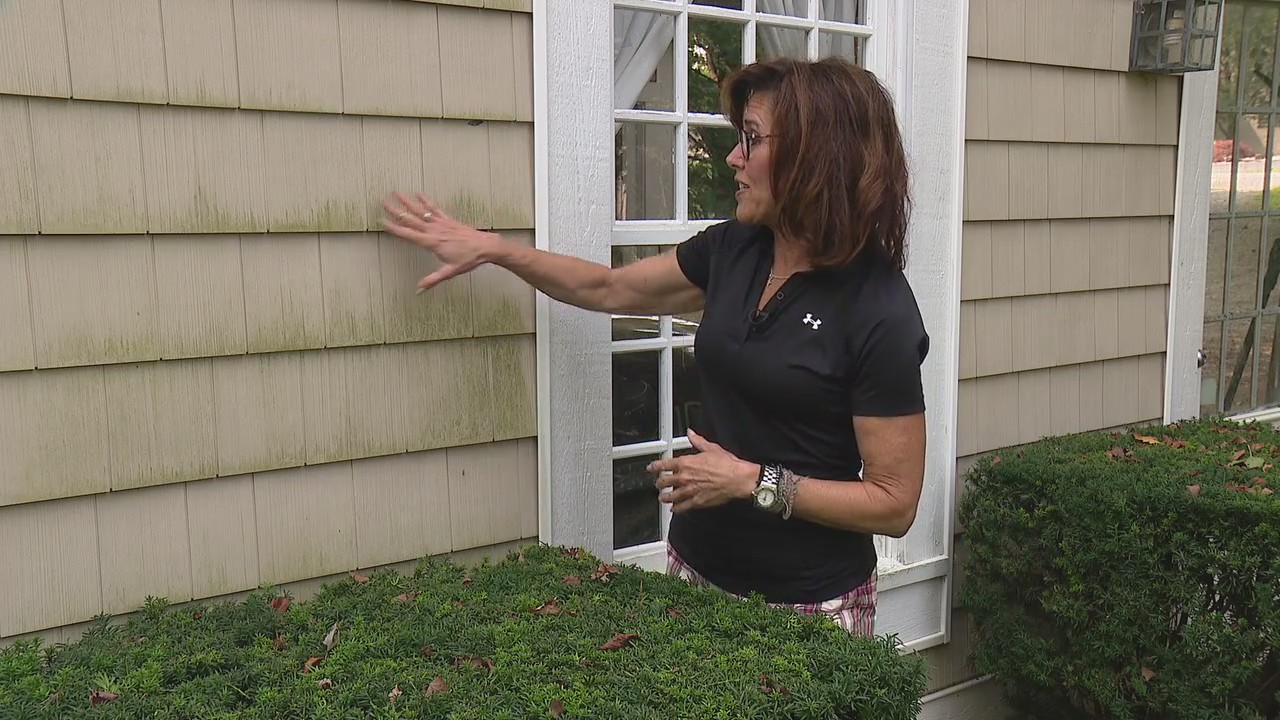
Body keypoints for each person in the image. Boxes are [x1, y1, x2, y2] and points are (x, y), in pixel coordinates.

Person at [381, 57, 928, 635]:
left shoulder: (877, 309)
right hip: (696, 573)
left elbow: (893, 503)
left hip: (811, 607)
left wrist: (753, 481)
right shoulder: (734, 251)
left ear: (817, 155)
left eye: (751, 140)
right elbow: (608, 287)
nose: (733, 158)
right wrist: (496, 250)